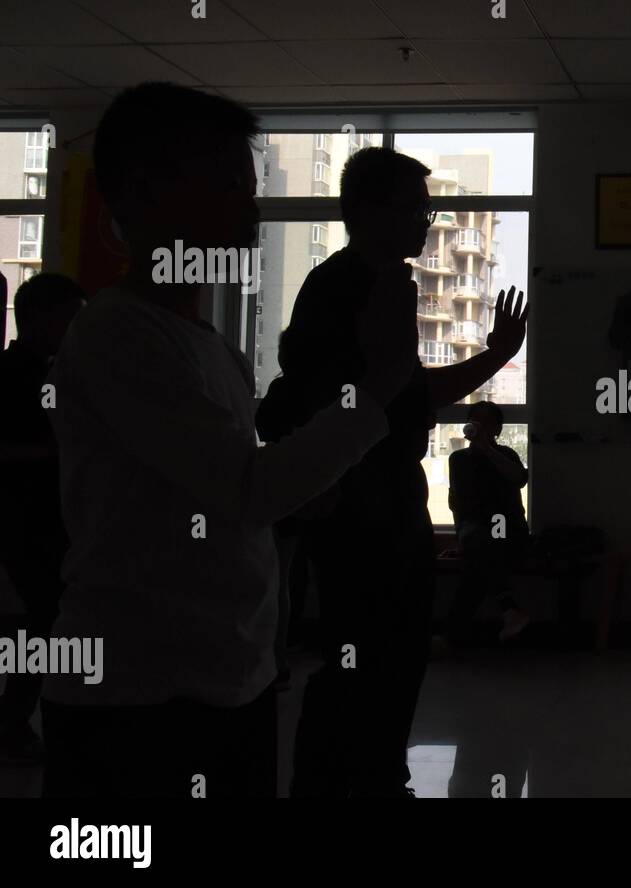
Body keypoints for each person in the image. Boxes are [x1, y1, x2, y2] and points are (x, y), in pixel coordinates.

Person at [40, 81, 417, 798]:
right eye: (225, 188)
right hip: (137, 702)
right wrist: (383, 379)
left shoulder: (204, 341)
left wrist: (302, 490)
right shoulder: (119, 334)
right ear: (143, 195)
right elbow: (249, 490)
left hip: (221, 682)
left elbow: (234, 490)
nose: (250, 210)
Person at [256, 146, 528, 798]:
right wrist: (493, 358)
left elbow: (402, 393)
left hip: (373, 496)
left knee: (382, 651)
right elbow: (385, 395)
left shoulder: (364, 284)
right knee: (375, 651)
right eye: (415, 209)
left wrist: (494, 357)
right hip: (363, 501)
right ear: (368, 211)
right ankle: (356, 779)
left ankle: (369, 774)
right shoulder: (360, 288)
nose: (426, 223)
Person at [0, 273, 85, 763]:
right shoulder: (17, 377)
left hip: (40, 522)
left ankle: (17, 721)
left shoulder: (43, 373)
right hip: (27, 523)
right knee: (44, 623)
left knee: (44, 625)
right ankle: (15, 722)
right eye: (68, 318)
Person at [445, 400, 531, 644]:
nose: (480, 426)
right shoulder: (458, 459)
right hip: (475, 533)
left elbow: (519, 478)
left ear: (497, 429)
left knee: (481, 554)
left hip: (508, 531)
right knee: (480, 554)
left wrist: (488, 450)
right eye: (476, 420)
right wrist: (458, 537)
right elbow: (458, 504)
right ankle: (509, 609)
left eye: (487, 422)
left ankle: (451, 637)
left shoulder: (506, 454)